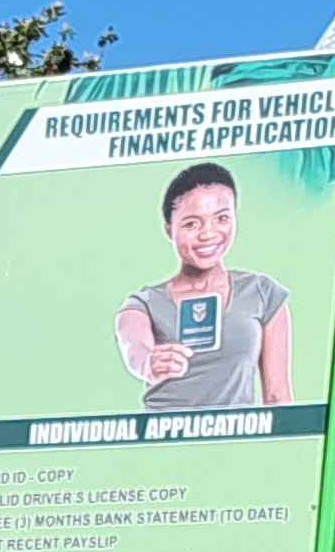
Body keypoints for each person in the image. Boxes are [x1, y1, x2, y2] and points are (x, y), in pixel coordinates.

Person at [117, 162, 294, 410]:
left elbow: (278, 395)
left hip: (235, 442)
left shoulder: (263, 293)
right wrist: (149, 363)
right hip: (163, 440)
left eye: (222, 218)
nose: (208, 234)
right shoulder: (144, 303)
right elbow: (134, 347)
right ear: (169, 229)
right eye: (191, 224)